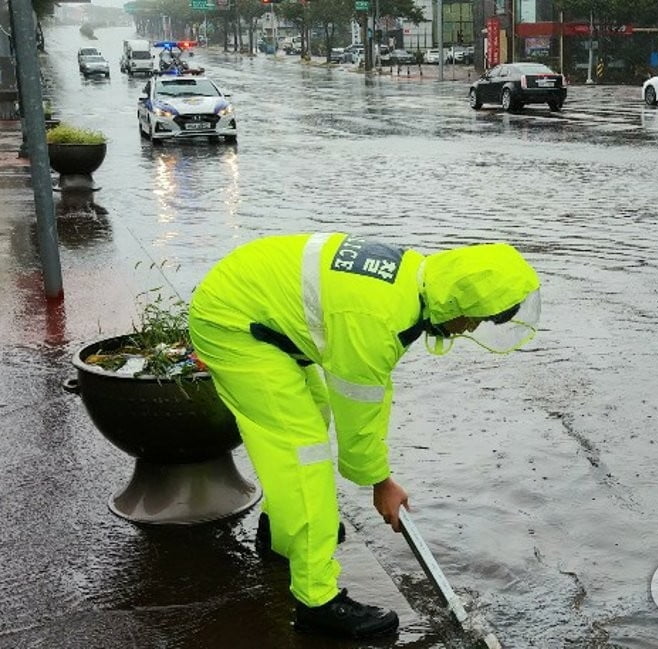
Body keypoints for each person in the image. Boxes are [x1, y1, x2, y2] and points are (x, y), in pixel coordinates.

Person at [188, 233, 541, 639]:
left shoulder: (415, 277)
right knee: (304, 454)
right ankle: (316, 601)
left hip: (257, 307)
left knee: (311, 418)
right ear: (460, 304)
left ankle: (282, 536)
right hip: (234, 325)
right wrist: (382, 484)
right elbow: (359, 417)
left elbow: (364, 394)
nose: (470, 328)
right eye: (477, 318)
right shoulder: (379, 321)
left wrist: (377, 477)